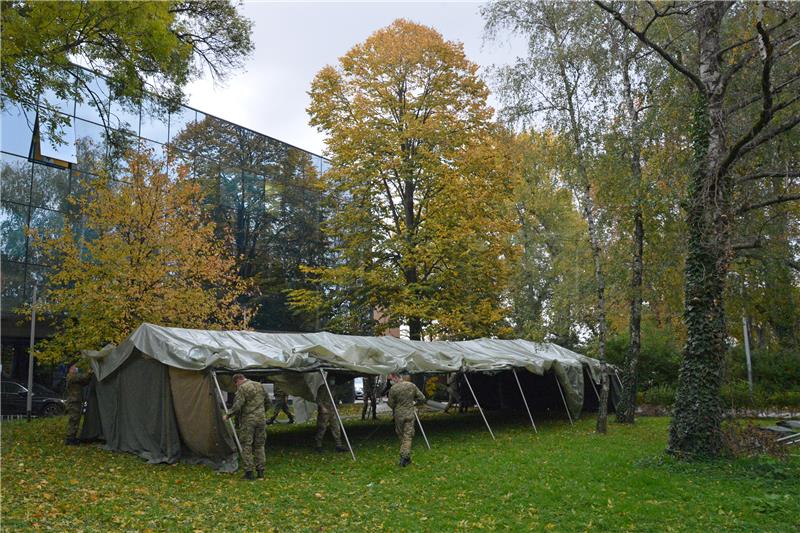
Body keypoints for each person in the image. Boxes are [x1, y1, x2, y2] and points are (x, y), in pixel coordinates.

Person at [223, 374, 267, 480]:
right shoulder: (259, 385)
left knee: (246, 445)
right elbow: (268, 401)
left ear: (237, 381)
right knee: (259, 445)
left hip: (248, 421)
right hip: (261, 419)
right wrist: (262, 412)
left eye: (236, 384)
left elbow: (238, 405)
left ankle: (249, 473)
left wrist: (228, 415)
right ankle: (260, 471)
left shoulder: (242, 388)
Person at [387, 372, 426, 467]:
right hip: (410, 413)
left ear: (396, 378)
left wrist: (397, 405)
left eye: (391, 379)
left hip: (398, 415)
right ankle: (406, 457)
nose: (390, 381)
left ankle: (404, 457)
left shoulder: (393, 389)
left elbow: (390, 404)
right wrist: (414, 403)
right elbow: (422, 398)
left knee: (401, 435)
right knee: (408, 436)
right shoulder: (411, 385)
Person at [315, 378, 347, 453]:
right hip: (324, 411)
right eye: (331, 378)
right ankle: (318, 445)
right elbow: (318, 400)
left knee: (336, 428)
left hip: (332, 410)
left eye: (334, 379)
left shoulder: (334, 388)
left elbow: (336, 397)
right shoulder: (323, 388)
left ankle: (338, 445)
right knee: (322, 428)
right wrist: (322, 408)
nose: (333, 380)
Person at [64, 363, 92, 445]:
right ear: (70, 369)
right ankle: (70, 438)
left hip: (76, 401)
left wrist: (89, 376)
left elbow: (84, 381)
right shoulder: (72, 376)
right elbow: (83, 377)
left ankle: (72, 437)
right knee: (74, 419)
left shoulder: (74, 378)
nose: (75, 369)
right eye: (74, 367)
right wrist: (89, 372)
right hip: (73, 402)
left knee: (76, 419)